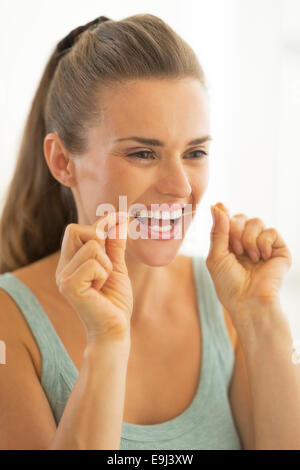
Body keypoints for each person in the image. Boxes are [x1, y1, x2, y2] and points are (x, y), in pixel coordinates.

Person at [0, 14, 297, 451]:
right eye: (143, 153)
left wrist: (260, 315)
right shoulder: (10, 326)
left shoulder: (225, 300)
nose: (180, 187)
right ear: (63, 161)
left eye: (195, 151)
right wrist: (106, 344)